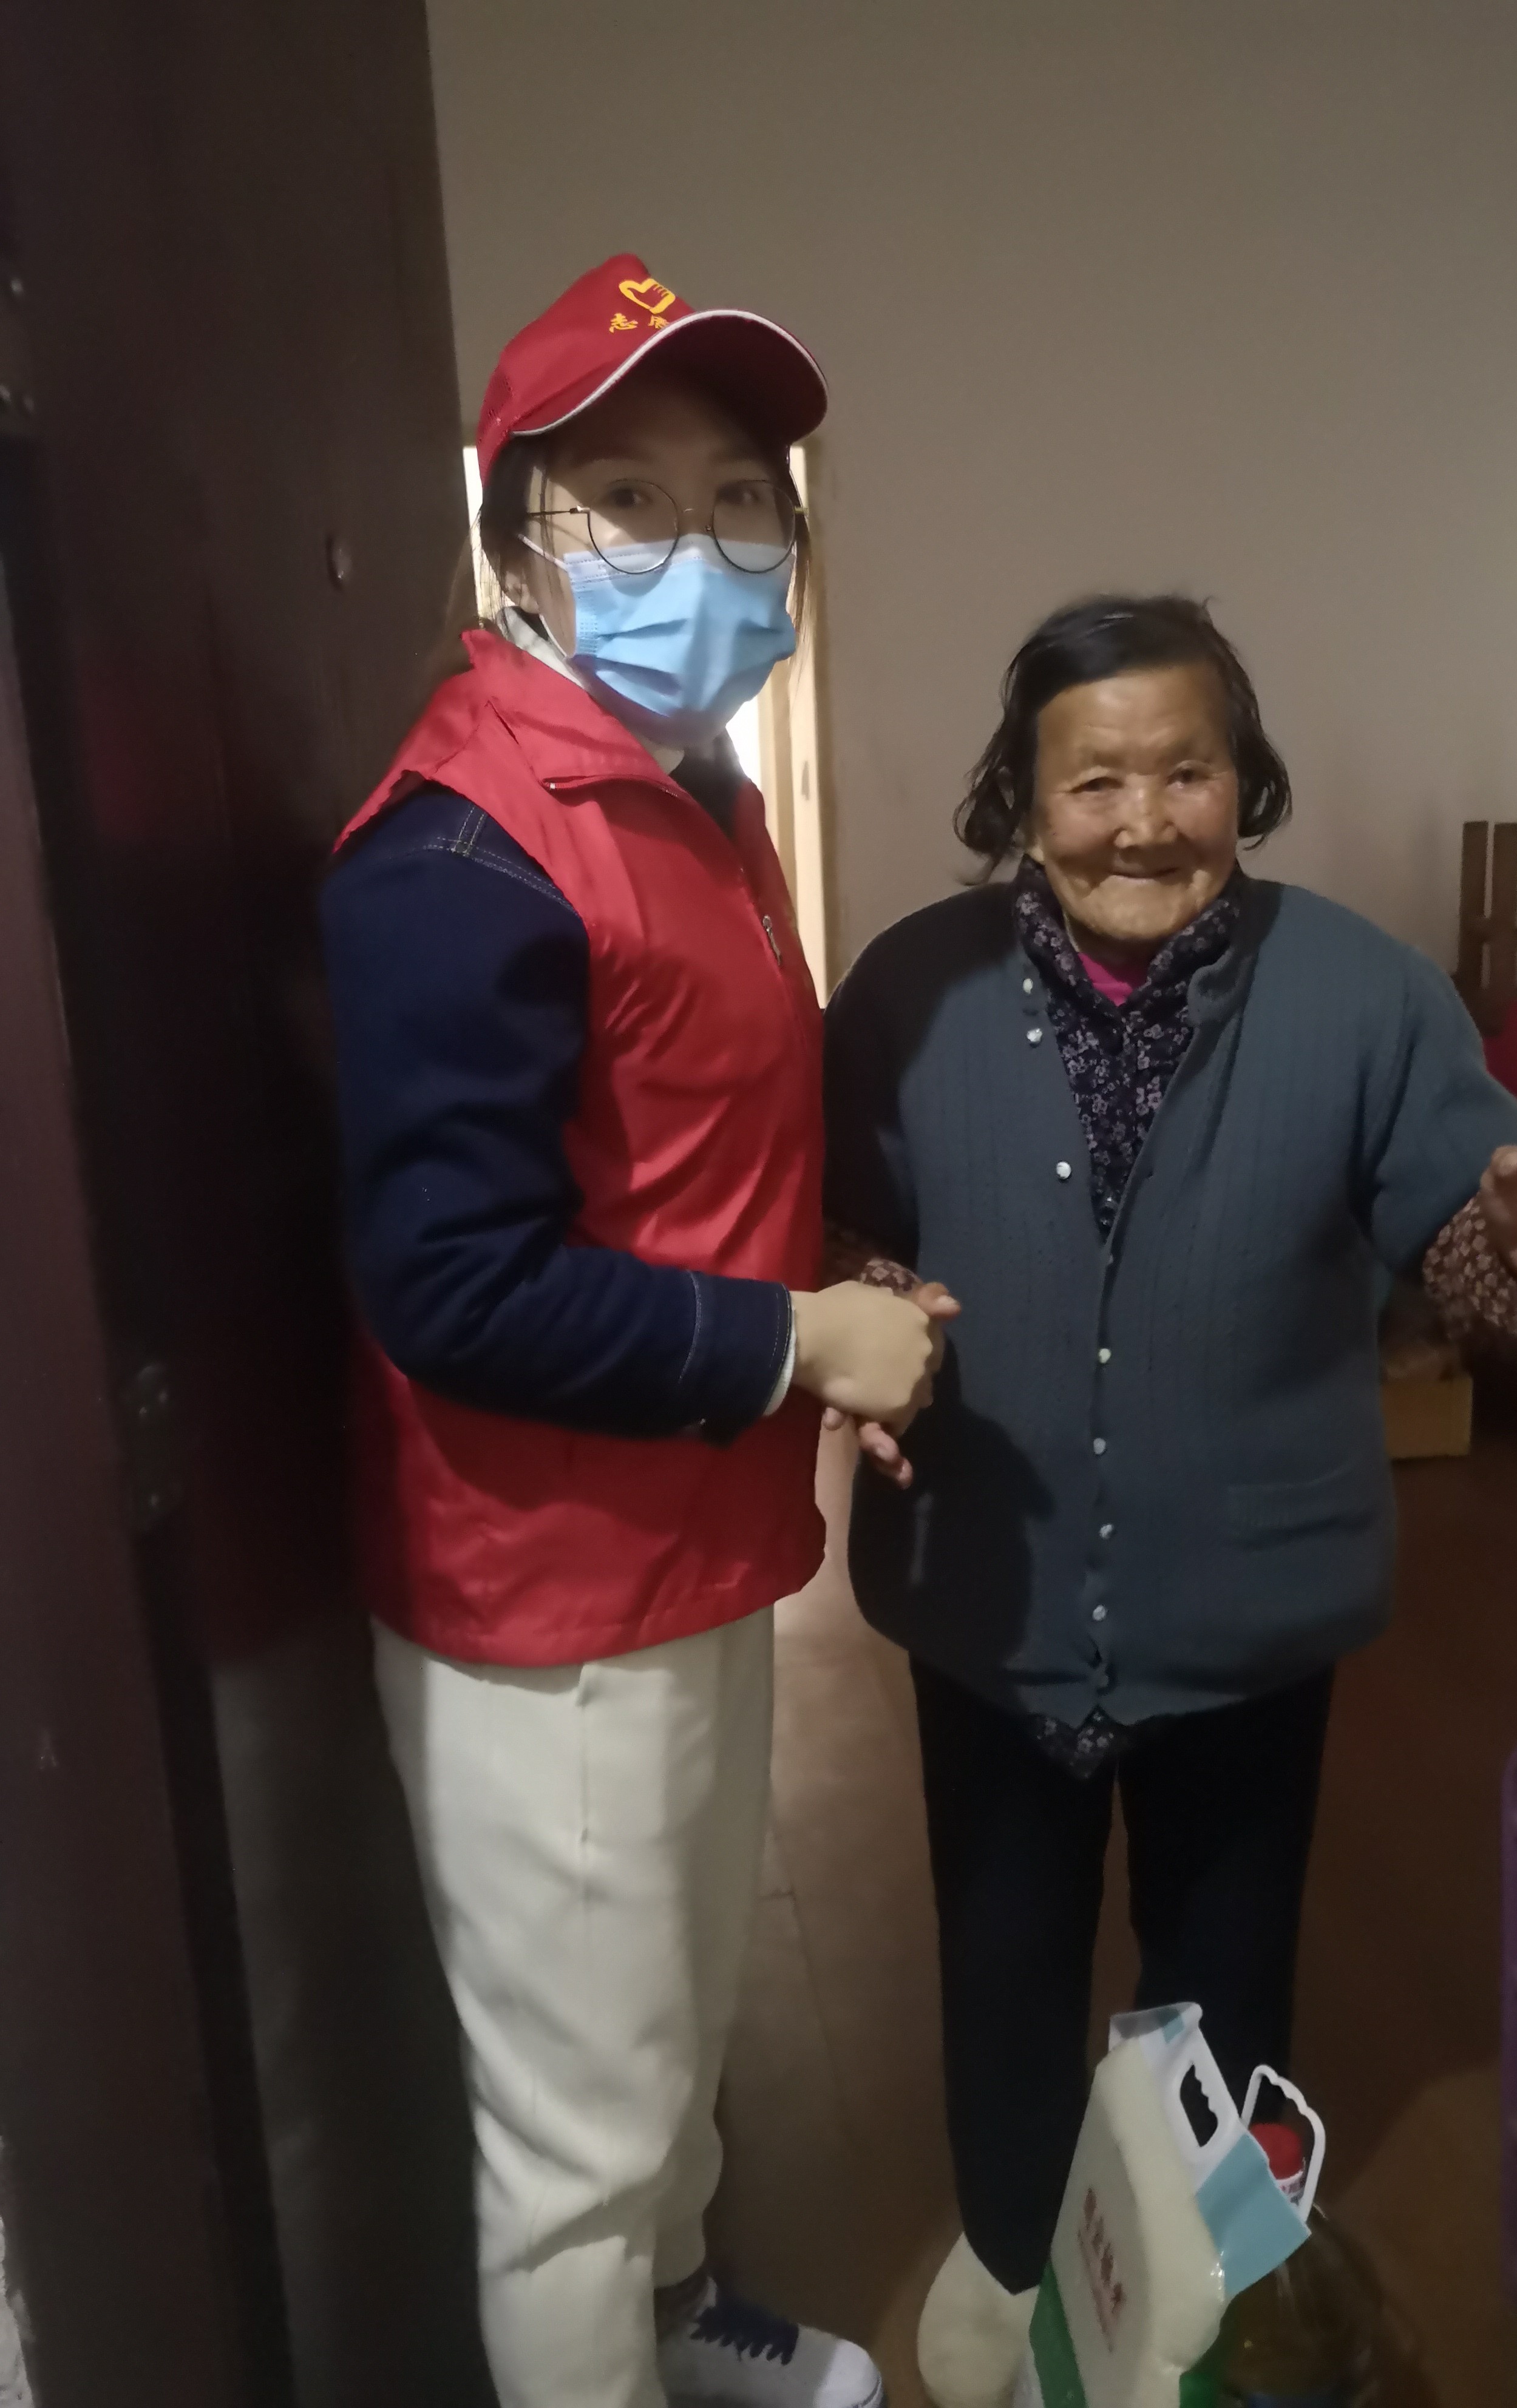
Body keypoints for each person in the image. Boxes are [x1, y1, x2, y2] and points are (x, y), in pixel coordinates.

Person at [821, 594, 1517, 2408]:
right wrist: (865, 1307)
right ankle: (1016, 2255)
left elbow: (1470, 1246)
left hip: (1251, 1607)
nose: (1142, 821)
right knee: (1003, 1953)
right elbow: (836, 1231)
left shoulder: (1366, 993)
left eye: (1188, 772)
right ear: (1021, 800)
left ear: (1246, 781)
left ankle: (1202, 2287)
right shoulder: (910, 987)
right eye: (1093, 781)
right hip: (987, 1583)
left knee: (1226, 1968)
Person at [322, 255, 943, 2408]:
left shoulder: (699, 800)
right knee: (575, 2147)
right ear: (517, 545)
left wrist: (844, 1285)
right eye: (631, 501)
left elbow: (692, 1153)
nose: (704, 547)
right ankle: (622, 2318)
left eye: (741, 499)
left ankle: (683, 2324)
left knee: (672, 2033)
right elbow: (452, 1283)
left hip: (691, 1542)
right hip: (547, 1592)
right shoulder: (462, 852)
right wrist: (801, 1348)